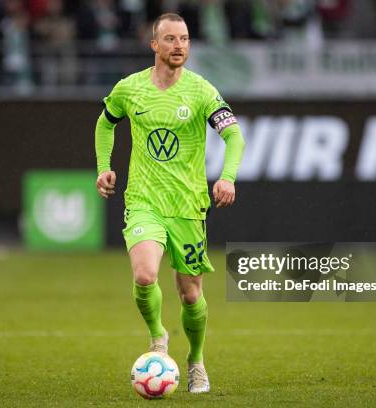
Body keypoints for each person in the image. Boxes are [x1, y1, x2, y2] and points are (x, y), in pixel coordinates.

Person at [94, 13, 245, 394]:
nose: (179, 45)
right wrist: (104, 168)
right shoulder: (129, 89)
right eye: (171, 39)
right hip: (144, 200)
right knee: (144, 275)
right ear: (155, 45)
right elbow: (105, 123)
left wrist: (227, 177)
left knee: (190, 293)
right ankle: (158, 336)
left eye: (185, 39)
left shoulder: (201, 91)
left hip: (188, 205)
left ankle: (196, 360)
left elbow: (234, 137)